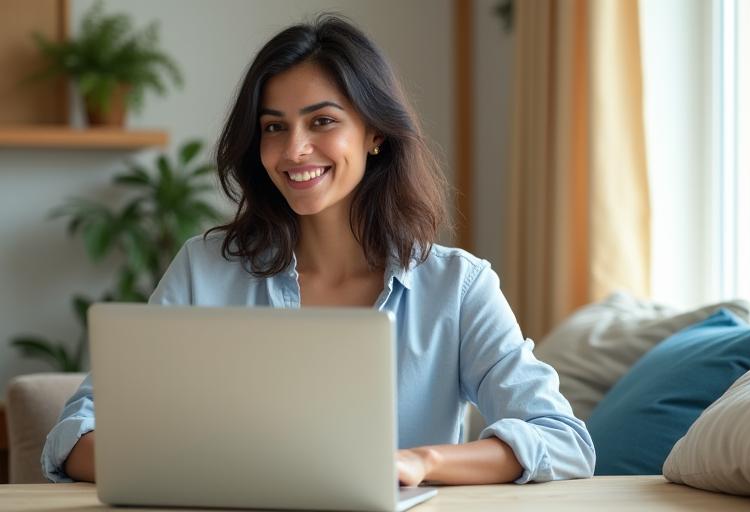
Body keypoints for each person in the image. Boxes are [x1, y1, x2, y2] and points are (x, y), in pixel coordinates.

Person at [42, 14, 595, 486]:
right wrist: (202, 468)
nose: (294, 150)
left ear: (374, 133)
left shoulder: (457, 288)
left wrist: (418, 462)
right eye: (273, 127)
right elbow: (77, 433)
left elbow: (564, 441)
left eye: (322, 121)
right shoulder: (202, 272)